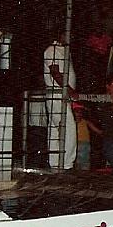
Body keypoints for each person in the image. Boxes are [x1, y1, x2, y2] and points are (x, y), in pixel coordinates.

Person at [44, 28, 79, 170]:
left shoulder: (64, 50)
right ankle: (67, 164)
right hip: (57, 94)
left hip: (62, 95)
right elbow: (55, 72)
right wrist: (69, 90)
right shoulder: (51, 50)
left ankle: (55, 163)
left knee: (55, 129)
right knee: (68, 127)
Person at [72, 102, 99, 170]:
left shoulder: (85, 121)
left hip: (85, 144)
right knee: (76, 162)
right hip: (74, 144)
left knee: (84, 162)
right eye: (77, 112)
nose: (79, 114)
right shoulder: (71, 122)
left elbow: (96, 130)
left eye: (81, 112)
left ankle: (84, 175)